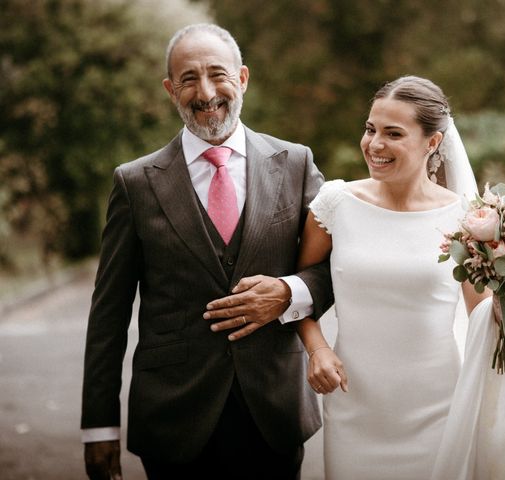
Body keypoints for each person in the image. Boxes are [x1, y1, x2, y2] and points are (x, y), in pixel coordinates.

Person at [81, 23, 333, 480]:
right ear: (169, 90)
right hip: (174, 416)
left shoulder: (295, 164)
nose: (206, 92)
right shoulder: (135, 183)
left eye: (217, 74)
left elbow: (336, 267)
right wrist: (99, 427)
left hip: (273, 410)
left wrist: (288, 291)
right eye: (188, 79)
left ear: (242, 78)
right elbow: (108, 316)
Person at [294, 76, 505, 479]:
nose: (374, 144)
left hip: (439, 405)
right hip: (355, 401)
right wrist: (317, 348)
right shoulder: (335, 203)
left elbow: (480, 311)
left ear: (433, 143)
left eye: (393, 134)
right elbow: (301, 288)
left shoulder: (465, 217)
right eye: (370, 129)